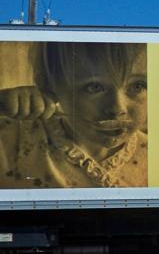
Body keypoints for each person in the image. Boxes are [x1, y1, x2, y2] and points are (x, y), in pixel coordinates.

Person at [0, 42, 148, 188]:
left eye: (138, 86)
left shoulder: (158, 156)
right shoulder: (11, 139)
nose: (118, 108)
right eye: (94, 87)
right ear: (48, 86)